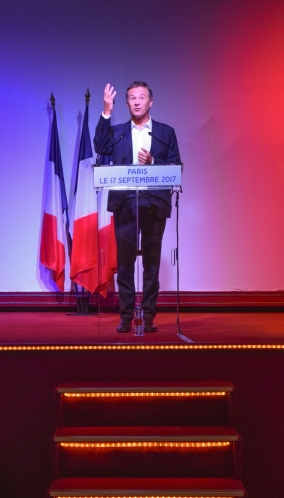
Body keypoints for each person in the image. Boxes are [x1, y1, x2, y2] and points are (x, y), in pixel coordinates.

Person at [94, 81, 180, 333]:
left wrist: (153, 161)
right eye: (132, 98)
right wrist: (106, 112)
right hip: (126, 203)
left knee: (151, 264)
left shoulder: (165, 132)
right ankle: (126, 316)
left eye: (142, 97)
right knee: (125, 264)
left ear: (150, 102)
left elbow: (175, 164)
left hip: (154, 203)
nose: (137, 101)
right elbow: (101, 148)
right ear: (127, 103)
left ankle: (150, 316)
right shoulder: (118, 131)